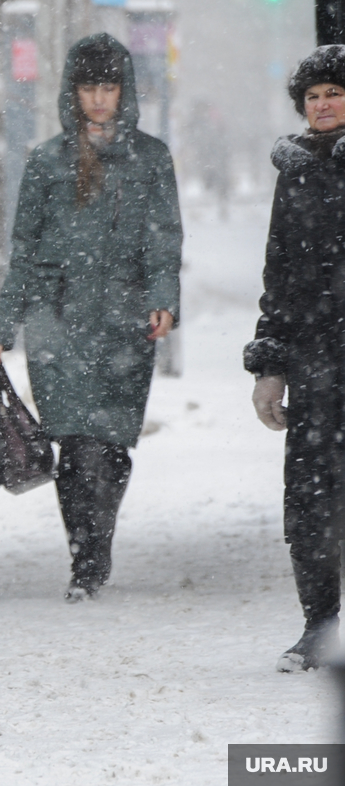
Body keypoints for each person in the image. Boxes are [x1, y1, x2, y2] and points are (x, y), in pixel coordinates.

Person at [0, 33, 183, 603]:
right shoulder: (48, 161)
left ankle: (99, 538)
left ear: (125, 91)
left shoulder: (151, 158)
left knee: (112, 443)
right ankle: (85, 558)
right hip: (57, 318)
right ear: (74, 92)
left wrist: (163, 297)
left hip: (125, 318)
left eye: (109, 86)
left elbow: (165, 237)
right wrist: (3, 324)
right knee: (73, 441)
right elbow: (24, 247)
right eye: (90, 86)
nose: (100, 98)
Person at [244, 45, 345, 671]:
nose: (324, 104)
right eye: (313, 97)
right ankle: (321, 624)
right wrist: (270, 367)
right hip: (315, 358)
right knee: (311, 501)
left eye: (334, 92)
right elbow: (279, 271)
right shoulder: (296, 171)